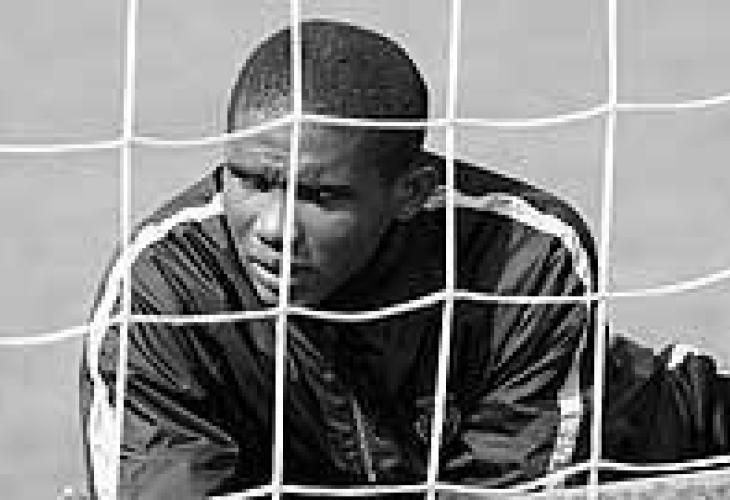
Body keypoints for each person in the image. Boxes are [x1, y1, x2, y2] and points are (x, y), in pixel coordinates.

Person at [79, 19, 729, 499]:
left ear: (410, 193)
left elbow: (512, 487)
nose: (274, 228)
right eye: (251, 181)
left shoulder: (521, 257)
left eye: (322, 197)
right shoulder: (161, 290)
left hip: (651, 453)